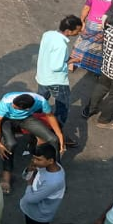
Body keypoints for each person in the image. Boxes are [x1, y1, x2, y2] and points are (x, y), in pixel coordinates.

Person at [0, 92, 64, 194]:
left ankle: (53, 172)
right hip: (7, 120)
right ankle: (6, 173)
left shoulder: (41, 101)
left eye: (15, 107)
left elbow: (50, 116)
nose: (12, 106)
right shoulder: (7, 101)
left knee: (53, 139)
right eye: (13, 105)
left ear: (27, 108)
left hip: (26, 118)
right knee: (10, 143)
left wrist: (59, 135)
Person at [36, 15, 83, 146]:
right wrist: (69, 62)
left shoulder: (48, 34)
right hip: (56, 81)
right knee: (62, 108)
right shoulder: (61, 46)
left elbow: (51, 57)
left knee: (39, 103)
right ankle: (57, 133)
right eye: (77, 30)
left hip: (42, 76)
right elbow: (56, 66)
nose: (78, 33)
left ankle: (35, 128)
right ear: (68, 31)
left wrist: (70, 60)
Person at [19, 143, 66, 224]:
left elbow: (30, 199)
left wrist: (29, 184)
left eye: (38, 159)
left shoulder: (53, 182)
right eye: (34, 158)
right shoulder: (47, 166)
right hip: (33, 210)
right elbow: (26, 176)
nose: (34, 161)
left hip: (38, 215)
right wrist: (29, 170)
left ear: (50, 161)